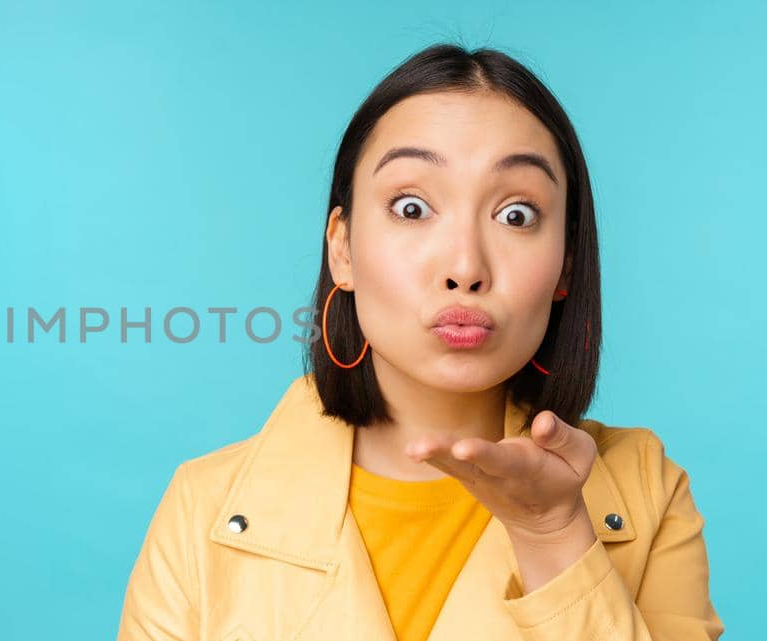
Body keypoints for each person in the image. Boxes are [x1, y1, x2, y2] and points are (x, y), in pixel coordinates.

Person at [116, 44, 723, 641]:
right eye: (411, 207)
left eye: (516, 215)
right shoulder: (202, 509)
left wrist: (554, 535)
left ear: (566, 264)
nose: (465, 266)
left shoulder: (648, 489)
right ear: (343, 248)